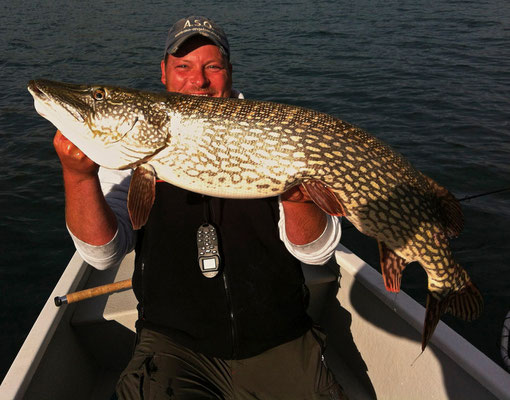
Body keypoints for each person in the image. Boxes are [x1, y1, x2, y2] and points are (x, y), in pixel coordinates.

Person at [54, 16, 346, 399]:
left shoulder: (271, 131)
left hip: (280, 336)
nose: (199, 81)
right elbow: (102, 254)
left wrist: (297, 199)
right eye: (183, 67)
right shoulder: (127, 149)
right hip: (175, 346)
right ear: (163, 72)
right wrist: (78, 178)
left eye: (212, 67)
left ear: (229, 71)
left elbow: (316, 251)